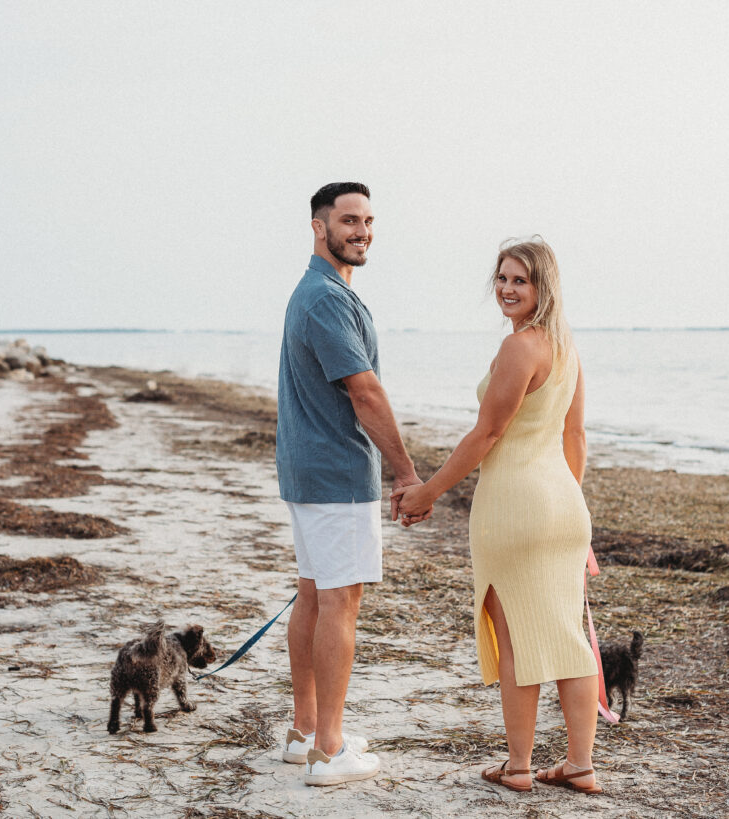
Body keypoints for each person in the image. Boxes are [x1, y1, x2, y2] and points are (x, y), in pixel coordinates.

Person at [394, 237, 602, 795]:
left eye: (521, 281)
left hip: (516, 505)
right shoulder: (566, 348)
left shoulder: (521, 349)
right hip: (562, 504)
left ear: (543, 288)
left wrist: (428, 491)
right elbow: (574, 436)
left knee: (517, 640)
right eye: (503, 279)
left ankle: (519, 767)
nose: (508, 289)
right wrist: (568, 511)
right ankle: (580, 765)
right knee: (567, 637)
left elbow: (487, 434)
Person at [276, 182, 429, 786]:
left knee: (313, 595)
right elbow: (364, 392)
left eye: (368, 220)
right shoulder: (327, 299)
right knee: (339, 601)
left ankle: (305, 732)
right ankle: (329, 752)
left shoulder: (316, 292)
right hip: (336, 475)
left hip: (309, 471)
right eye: (348, 220)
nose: (361, 231)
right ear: (319, 227)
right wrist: (407, 472)